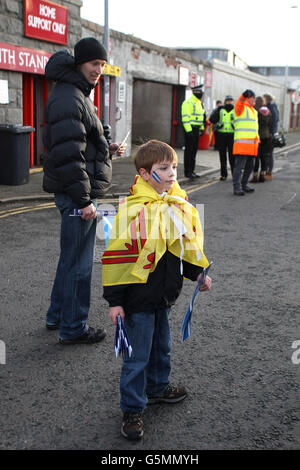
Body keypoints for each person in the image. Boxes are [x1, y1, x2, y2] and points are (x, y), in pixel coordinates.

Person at [102, 140, 212, 440]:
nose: (172, 173)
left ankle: (158, 387)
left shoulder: (175, 205)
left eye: (174, 166)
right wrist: (115, 302)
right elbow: (116, 259)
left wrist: (197, 274)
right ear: (145, 173)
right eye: (164, 168)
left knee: (161, 347)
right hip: (136, 300)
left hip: (163, 296)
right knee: (136, 357)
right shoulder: (134, 211)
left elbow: (178, 250)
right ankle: (133, 408)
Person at [43, 37, 125, 344]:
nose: (99, 70)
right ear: (80, 63)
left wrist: (108, 148)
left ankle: (56, 315)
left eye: (102, 65)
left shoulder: (74, 93)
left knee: (70, 257)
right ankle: (73, 327)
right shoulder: (70, 97)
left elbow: (82, 142)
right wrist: (85, 200)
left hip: (74, 190)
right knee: (78, 263)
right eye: (94, 64)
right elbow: (68, 153)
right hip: (76, 193)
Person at [232, 90, 259, 196]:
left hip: (252, 146)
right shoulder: (241, 108)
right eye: (252, 97)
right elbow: (239, 102)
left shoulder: (254, 111)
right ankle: (237, 187)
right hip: (242, 145)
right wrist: (243, 95)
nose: (254, 99)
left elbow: (254, 129)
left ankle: (244, 185)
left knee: (249, 167)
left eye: (255, 97)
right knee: (239, 167)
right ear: (247, 98)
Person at [181, 85, 206, 178]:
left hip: (196, 129)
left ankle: (192, 170)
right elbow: (185, 118)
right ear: (195, 92)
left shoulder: (199, 103)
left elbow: (201, 117)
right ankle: (187, 172)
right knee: (189, 151)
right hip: (190, 129)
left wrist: (202, 128)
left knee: (194, 151)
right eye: (199, 92)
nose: (201, 94)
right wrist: (189, 131)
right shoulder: (188, 103)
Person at [209, 95, 235, 180]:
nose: (229, 102)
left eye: (231, 100)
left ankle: (234, 173)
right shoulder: (220, 110)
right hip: (221, 135)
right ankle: (224, 174)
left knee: (232, 156)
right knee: (222, 156)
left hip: (232, 135)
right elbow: (212, 119)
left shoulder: (236, 110)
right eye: (228, 100)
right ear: (225, 101)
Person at [251, 96, 273, 183]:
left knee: (256, 157)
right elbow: (270, 124)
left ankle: (255, 176)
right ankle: (262, 175)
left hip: (257, 136)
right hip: (267, 136)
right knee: (264, 157)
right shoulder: (269, 112)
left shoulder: (256, 112)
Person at [263, 93, 280, 180]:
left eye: (263, 99)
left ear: (266, 99)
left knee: (269, 154)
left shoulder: (271, 107)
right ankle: (267, 171)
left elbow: (274, 121)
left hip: (270, 134)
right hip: (269, 133)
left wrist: (271, 133)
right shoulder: (272, 107)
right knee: (267, 154)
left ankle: (269, 172)